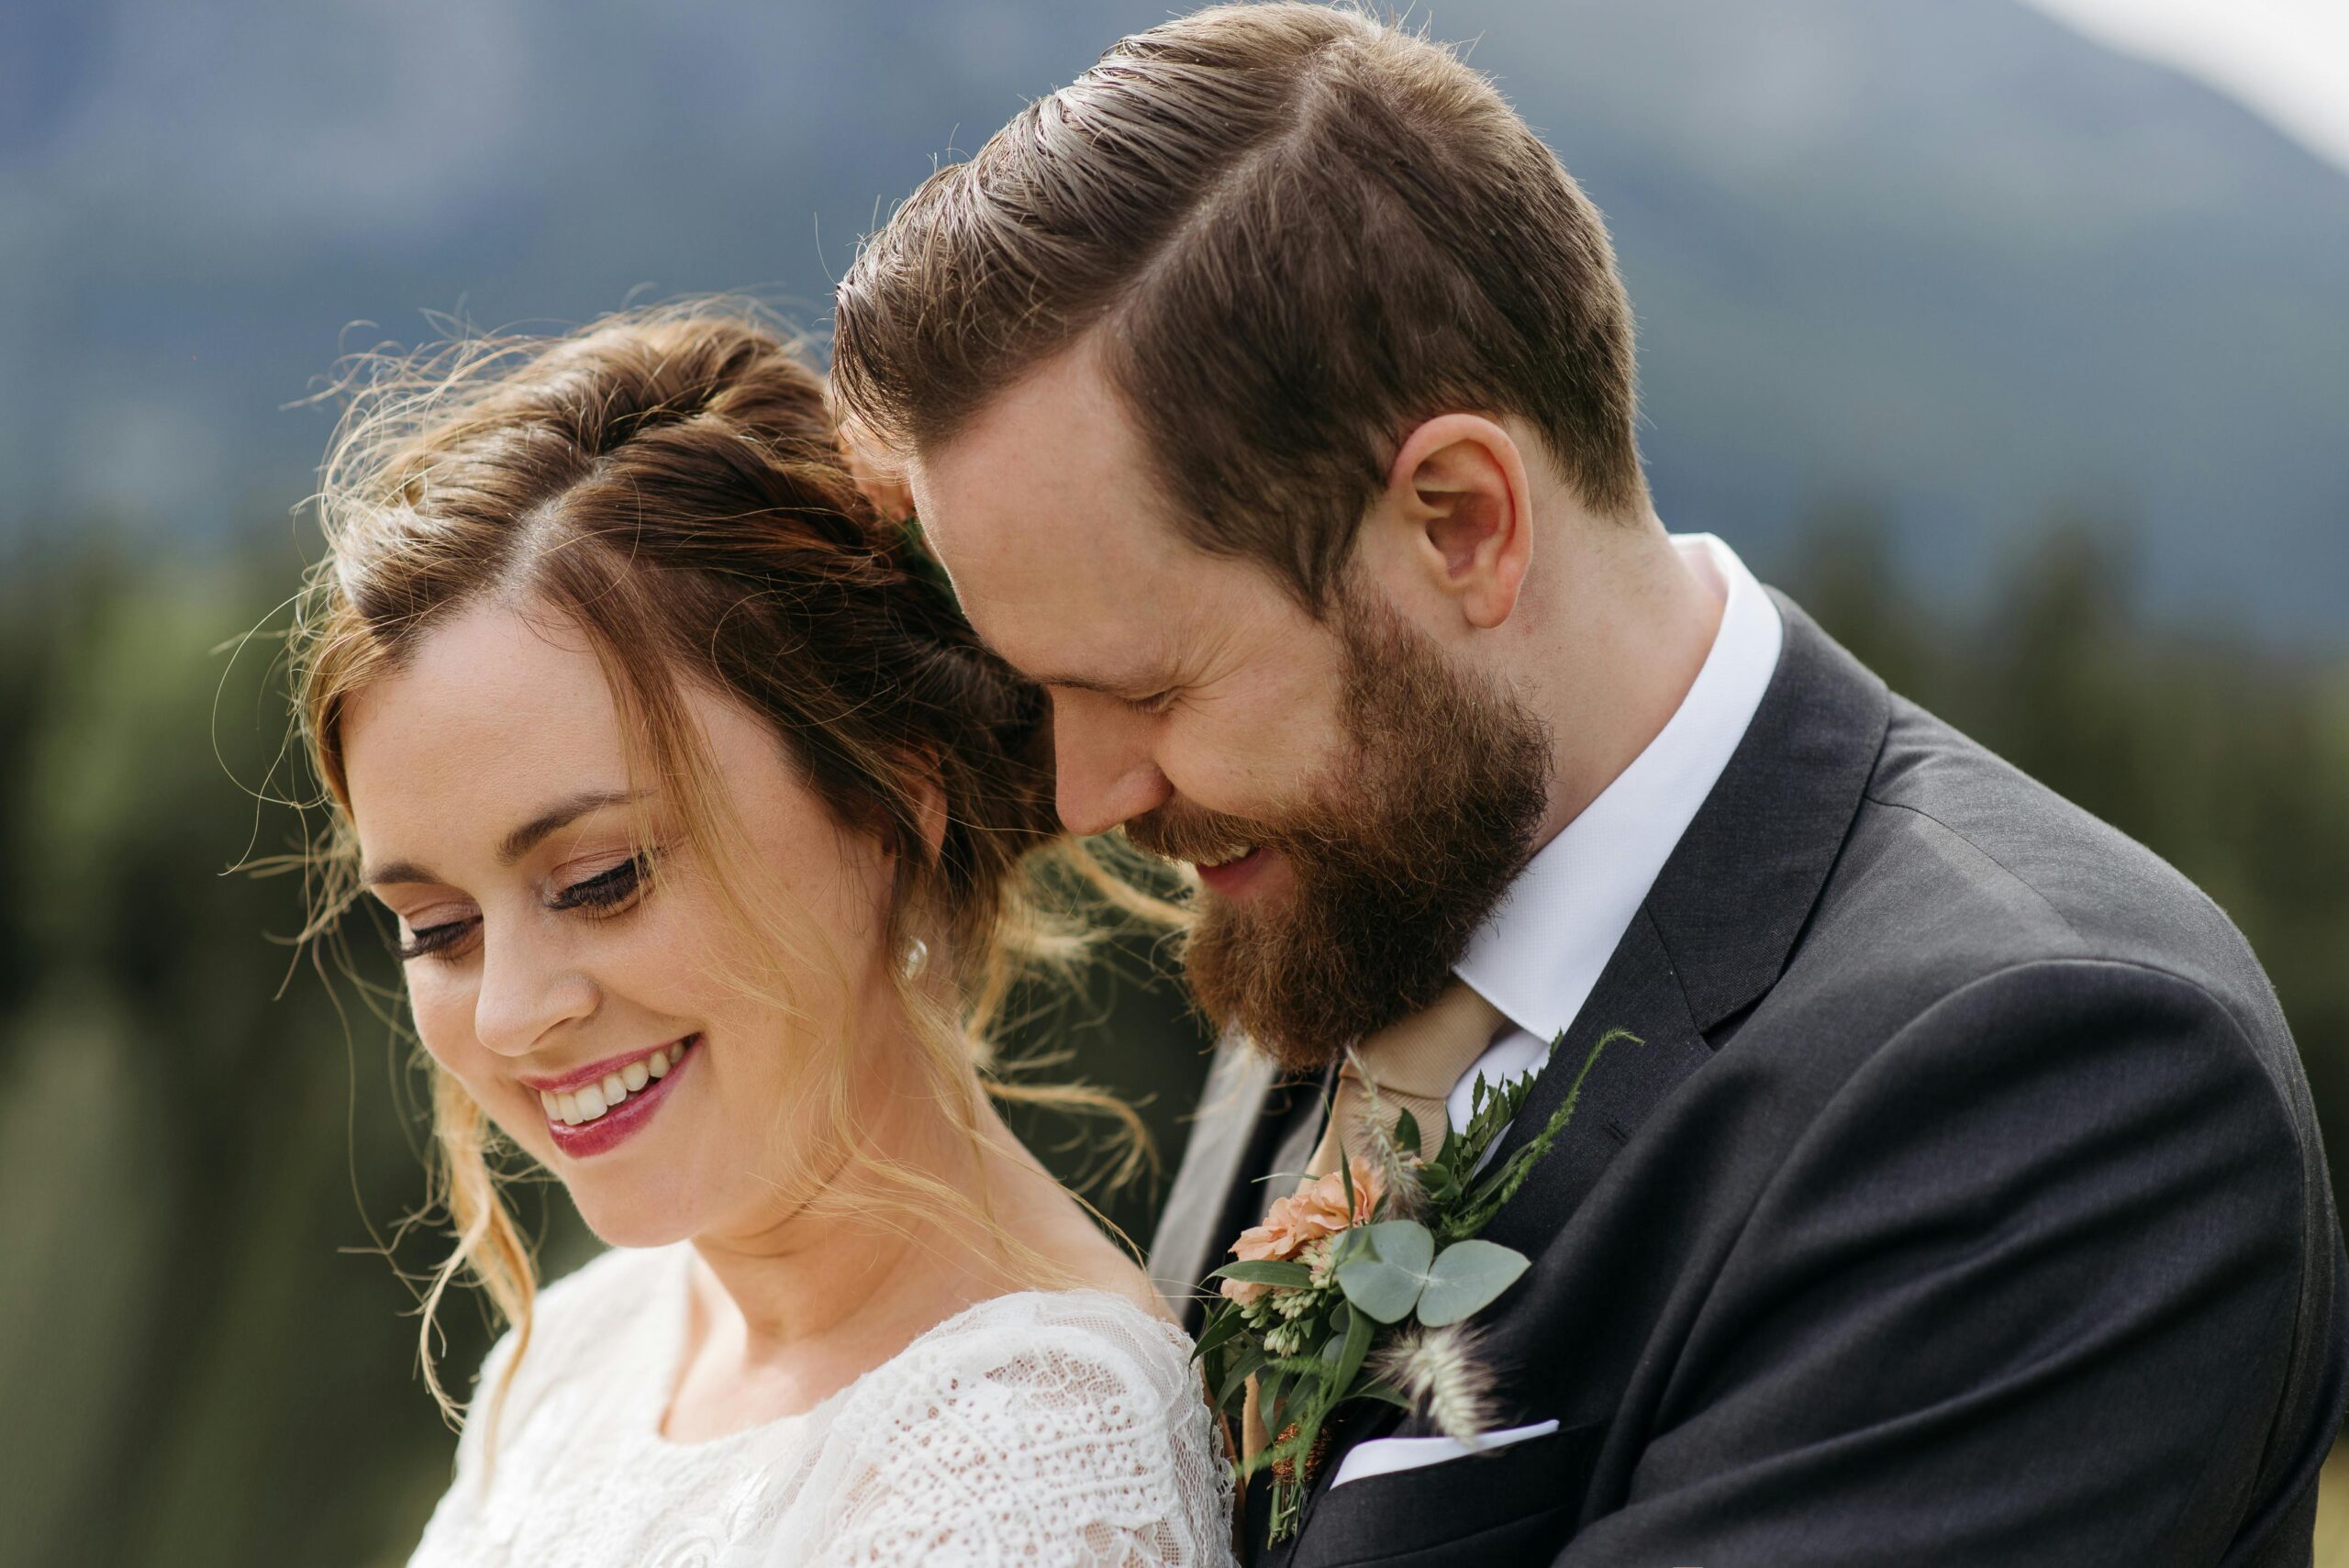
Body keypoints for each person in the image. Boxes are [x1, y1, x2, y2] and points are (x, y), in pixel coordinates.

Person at [829, 5, 2349, 1563]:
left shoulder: (2059, 1088)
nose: (1087, 794)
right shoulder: (1372, 880)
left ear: (1463, 522)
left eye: (1150, 686)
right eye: (1048, 696)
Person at [287, 308, 1235, 1567]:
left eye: (600, 877)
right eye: (438, 926)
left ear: (889, 804)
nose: (511, 1012)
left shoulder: (1027, 1455)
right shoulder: (574, 1357)